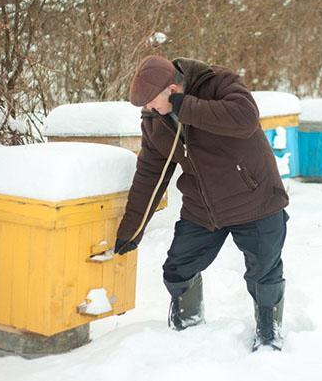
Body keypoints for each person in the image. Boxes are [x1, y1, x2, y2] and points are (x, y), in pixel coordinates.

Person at [114, 55, 290, 351]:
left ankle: (268, 334)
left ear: (171, 90)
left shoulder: (217, 83)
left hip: (255, 199)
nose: (148, 109)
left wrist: (184, 107)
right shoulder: (155, 122)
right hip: (203, 208)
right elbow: (150, 175)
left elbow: (245, 119)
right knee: (177, 268)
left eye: (151, 102)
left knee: (264, 273)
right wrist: (132, 230)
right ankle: (188, 327)